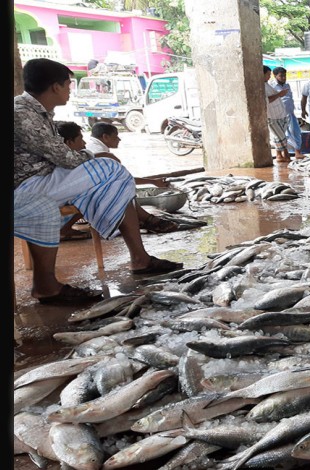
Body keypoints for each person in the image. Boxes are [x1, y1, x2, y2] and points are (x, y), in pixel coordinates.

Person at [14, 58, 183, 304]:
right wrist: (94, 155)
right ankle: (139, 252)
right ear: (55, 87)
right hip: (26, 185)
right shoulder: (22, 114)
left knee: (115, 178)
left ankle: (140, 258)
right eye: (68, 85)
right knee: (109, 169)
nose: (70, 91)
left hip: (43, 178)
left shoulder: (38, 111)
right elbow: (65, 158)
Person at [59, 121, 179, 235]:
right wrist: (152, 182)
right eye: (116, 136)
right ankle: (143, 220)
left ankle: (144, 219)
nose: (119, 139)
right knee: (119, 189)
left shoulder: (91, 152)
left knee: (120, 186)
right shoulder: (96, 152)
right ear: (105, 137)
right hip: (71, 196)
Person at [271, 66, 302, 158]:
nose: (284, 78)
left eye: (285, 76)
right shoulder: (272, 87)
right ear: (275, 76)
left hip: (290, 113)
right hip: (279, 115)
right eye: (281, 76)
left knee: (295, 132)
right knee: (281, 135)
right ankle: (281, 154)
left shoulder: (287, 85)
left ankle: (297, 152)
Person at [262, 65, 291, 163]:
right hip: (272, 115)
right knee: (280, 136)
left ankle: (279, 155)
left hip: (281, 114)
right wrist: (279, 94)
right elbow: (266, 100)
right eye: (268, 75)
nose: (269, 77)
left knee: (279, 135)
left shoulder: (267, 84)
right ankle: (285, 154)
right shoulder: (262, 86)